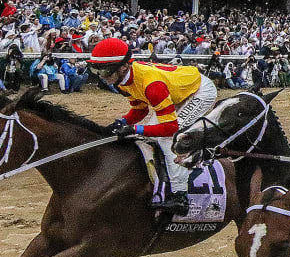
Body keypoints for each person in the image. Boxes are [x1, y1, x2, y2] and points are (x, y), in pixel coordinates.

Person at [87, 37, 218, 214]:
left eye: (106, 71)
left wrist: (135, 128)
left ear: (124, 66)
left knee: (170, 140)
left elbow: (170, 128)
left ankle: (181, 197)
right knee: (149, 134)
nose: (102, 77)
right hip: (177, 90)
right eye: (98, 71)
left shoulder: (151, 84)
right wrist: (122, 122)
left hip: (199, 92)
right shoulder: (123, 81)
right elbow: (139, 110)